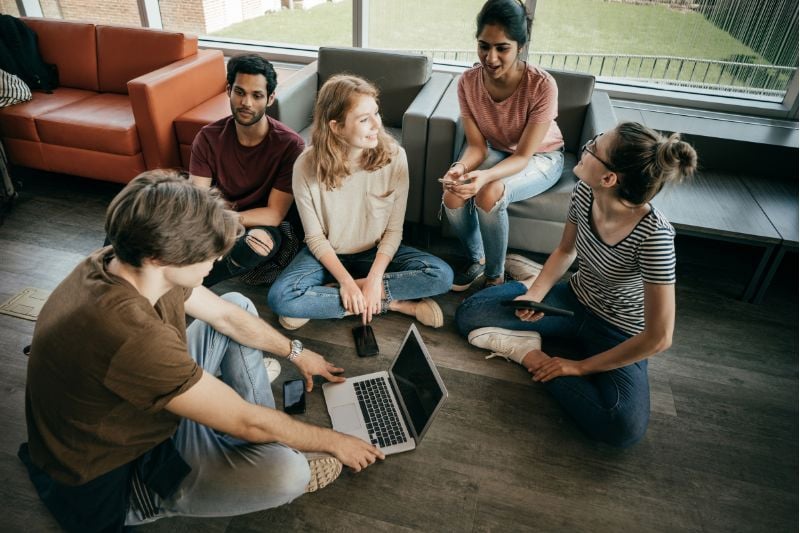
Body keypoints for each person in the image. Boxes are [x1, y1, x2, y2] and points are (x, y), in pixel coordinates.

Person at [18, 170, 383, 532]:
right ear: (162, 258)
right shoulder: (130, 334)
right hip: (114, 470)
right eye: (207, 254)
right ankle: (151, 498)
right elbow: (246, 421)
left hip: (133, 409)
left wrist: (296, 352)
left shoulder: (123, 259)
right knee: (289, 474)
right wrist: (336, 441)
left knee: (238, 304)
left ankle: (262, 437)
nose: (217, 260)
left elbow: (226, 317)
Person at [455, 122, 697, 447]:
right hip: (573, 300)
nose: (586, 147)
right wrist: (536, 293)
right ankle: (527, 342)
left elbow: (659, 337)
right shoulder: (585, 190)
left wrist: (580, 368)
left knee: (619, 427)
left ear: (609, 178)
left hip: (619, 330)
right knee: (471, 312)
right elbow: (566, 250)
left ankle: (539, 351)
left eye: (595, 147)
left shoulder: (655, 237)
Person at [268, 75, 453, 330]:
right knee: (281, 298)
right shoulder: (305, 166)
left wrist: (376, 278)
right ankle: (394, 304)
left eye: (376, 114)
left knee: (441, 276)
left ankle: (331, 298)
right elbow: (315, 238)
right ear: (336, 126)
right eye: (364, 120)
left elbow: (393, 231)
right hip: (328, 254)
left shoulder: (396, 157)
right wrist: (345, 281)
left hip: (376, 253)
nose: (376, 125)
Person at [443, 0, 565, 291]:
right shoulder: (467, 83)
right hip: (496, 149)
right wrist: (459, 168)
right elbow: (477, 147)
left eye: (502, 48)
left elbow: (523, 156)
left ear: (520, 46)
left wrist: (485, 176)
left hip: (540, 155)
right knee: (452, 195)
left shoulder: (542, 86)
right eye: (484, 46)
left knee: (490, 192)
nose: (491, 57)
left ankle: (495, 277)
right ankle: (479, 260)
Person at [190, 54, 305, 287]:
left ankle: (192, 285)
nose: (246, 103)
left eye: (257, 95)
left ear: (270, 98)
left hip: (258, 224)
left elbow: (274, 214)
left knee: (258, 242)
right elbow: (198, 200)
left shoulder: (290, 145)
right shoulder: (208, 137)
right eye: (240, 92)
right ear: (228, 90)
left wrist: (227, 220)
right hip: (215, 218)